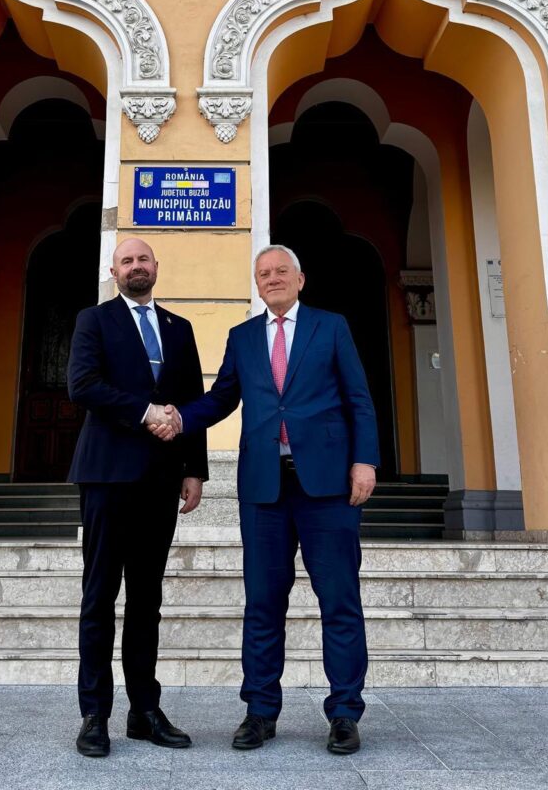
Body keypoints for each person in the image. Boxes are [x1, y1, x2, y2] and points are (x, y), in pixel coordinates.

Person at [149, 244, 378, 756]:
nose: (272, 279)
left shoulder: (331, 327)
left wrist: (365, 461)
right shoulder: (243, 336)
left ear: (300, 279)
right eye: (263, 274)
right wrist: (180, 418)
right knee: (263, 603)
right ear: (257, 284)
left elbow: (359, 399)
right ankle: (259, 711)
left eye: (280, 271)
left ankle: (344, 712)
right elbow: (222, 398)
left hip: (327, 487)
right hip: (263, 489)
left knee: (339, 600)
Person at [67, 237, 208, 758]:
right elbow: (82, 385)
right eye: (126, 261)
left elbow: (191, 400)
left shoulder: (179, 328)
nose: (135, 266)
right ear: (114, 271)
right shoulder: (94, 320)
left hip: (161, 479)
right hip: (107, 476)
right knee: (100, 596)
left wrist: (195, 470)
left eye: (143, 259)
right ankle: (94, 715)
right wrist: (146, 412)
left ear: (156, 267)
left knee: (147, 600)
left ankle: (145, 711)